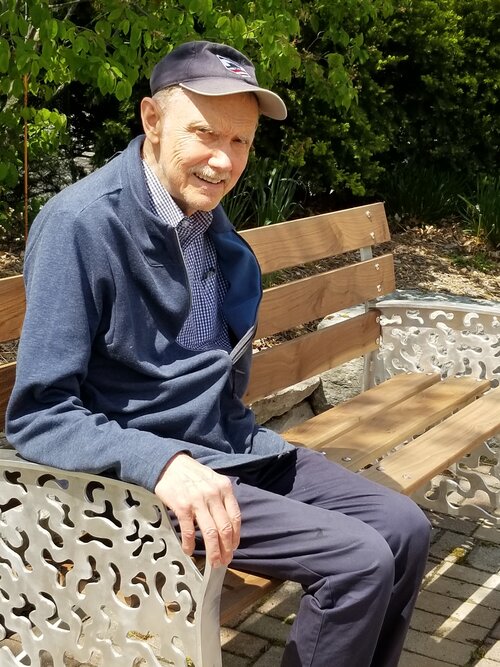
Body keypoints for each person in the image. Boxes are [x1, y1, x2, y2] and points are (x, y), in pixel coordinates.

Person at [6, 41, 430, 666]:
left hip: (230, 450)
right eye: (205, 134)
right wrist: (159, 460)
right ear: (152, 120)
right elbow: (39, 413)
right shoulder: (82, 226)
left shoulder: (208, 224)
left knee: (406, 529)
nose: (222, 160)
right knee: (356, 560)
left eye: (241, 142)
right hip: (137, 484)